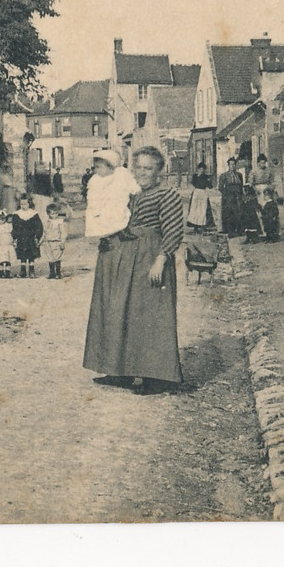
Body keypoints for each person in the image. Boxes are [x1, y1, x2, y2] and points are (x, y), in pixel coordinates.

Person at [83, 146, 185, 393]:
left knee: (150, 316)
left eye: (148, 168)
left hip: (150, 258)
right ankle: (120, 372)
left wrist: (161, 259)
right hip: (123, 257)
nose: (142, 172)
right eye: (138, 167)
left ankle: (157, 377)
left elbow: (173, 230)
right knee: (119, 312)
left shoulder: (167, 195)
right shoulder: (128, 192)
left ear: (159, 171)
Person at [83, 149, 138, 239]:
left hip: (120, 204)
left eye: (99, 167)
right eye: (95, 167)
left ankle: (122, 231)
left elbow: (133, 186)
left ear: (110, 167)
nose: (97, 170)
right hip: (103, 207)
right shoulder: (95, 180)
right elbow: (92, 197)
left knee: (121, 216)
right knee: (104, 222)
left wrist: (134, 191)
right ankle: (105, 239)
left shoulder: (121, 174)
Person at [10, 193, 45, 279]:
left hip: (31, 237)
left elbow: (39, 226)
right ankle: (23, 271)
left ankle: (32, 271)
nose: (23, 206)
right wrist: (14, 237)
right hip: (21, 237)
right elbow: (14, 226)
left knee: (31, 254)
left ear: (29, 204)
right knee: (22, 254)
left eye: (25, 204)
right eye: (21, 204)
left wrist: (37, 236)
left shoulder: (33, 214)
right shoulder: (16, 214)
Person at [217, 157, 246, 237]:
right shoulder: (224, 176)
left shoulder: (239, 175)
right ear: (228, 165)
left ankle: (239, 230)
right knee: (229, 214)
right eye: (231, 164)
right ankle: (230, 231)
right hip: (228, 197)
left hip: (237, 196)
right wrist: (227, 195)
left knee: (239, 212)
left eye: (234, 164)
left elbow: (241, 186)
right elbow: (220, 187)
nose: (232, 166)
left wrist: (241, 195)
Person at [41, 197, 68, 279]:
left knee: (57, 257)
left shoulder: (59, 222)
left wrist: (62, 241)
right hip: (48, 242)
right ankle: (52, 273)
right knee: (50, 257)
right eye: (53, 213)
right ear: (48, 214)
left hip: (57, 241)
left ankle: (58, 273)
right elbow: (44, 232)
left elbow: (63, 232)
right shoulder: (46, 222)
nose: (55, 215)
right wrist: (41, 241)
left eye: (56, 213)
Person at [188, 160, 215, 232]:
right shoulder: (195, 176)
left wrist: (209, 181)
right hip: (196, 193)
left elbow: (210, 186)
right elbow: (192, 183)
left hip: (203, 194)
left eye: (203, 169)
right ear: (198, 169)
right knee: (195, 210)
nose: (201, 170)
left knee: (203, 210)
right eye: (200, 169)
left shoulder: (206, 177)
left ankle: (203, 226)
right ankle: (195, 227)